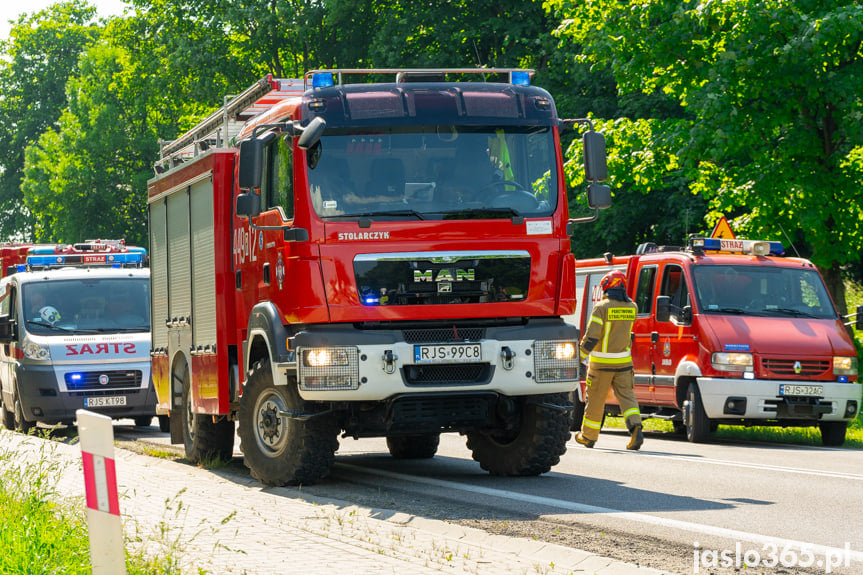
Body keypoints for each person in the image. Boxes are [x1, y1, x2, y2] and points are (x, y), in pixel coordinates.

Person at [575, 270, 644, 450]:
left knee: (596, 400)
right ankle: (636, 428)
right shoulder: (633, 307)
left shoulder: (601, 308)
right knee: (627, 397)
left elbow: (592, 337)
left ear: (607, 286)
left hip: (601, 365)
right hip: (624, 363)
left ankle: (588, 437)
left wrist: (579, 357)